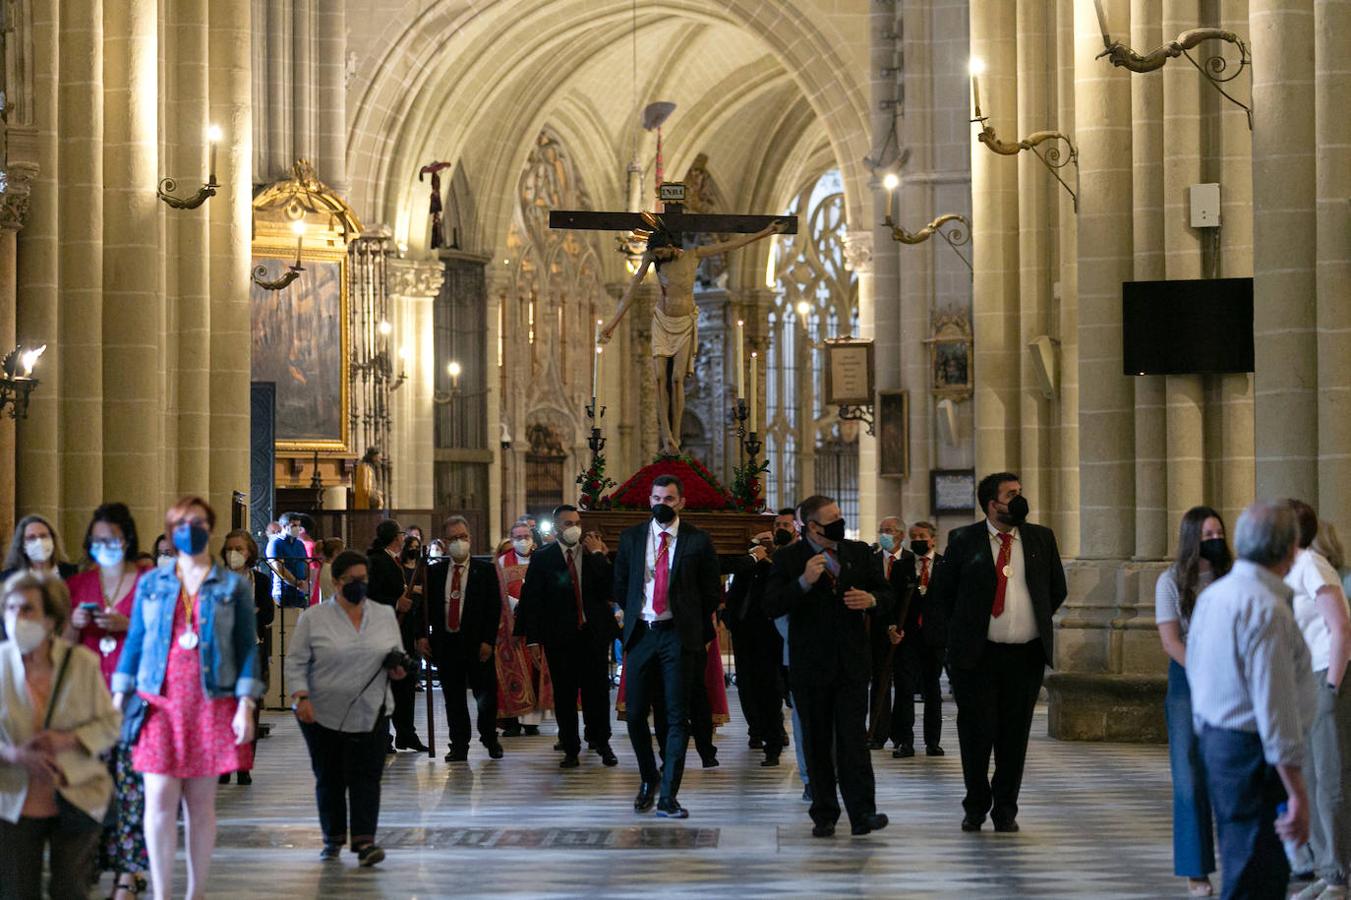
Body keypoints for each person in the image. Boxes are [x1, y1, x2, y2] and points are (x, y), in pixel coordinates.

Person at [111, 496, 261, 900]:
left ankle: (195, 893)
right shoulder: (153, 583)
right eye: (180, 523)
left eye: (196, 522)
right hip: (158, 701)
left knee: (200, 803)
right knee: (158, 797)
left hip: (210, 701)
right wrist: (118, 694)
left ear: (209, 529)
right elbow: (136, 642)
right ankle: (162, 892)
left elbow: (248, 647)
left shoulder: (231, 585)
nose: (188, 529)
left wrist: (245, 705)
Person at [925, 471, 1066, 833]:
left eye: (1020, 492)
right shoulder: (964, 540)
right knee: (976, 733)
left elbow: (1056, 589)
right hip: (977, 657)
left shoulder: (1040, 538)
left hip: (1025, 656)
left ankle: (1005, 808)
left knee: (1014, 736)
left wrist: (1026, 620)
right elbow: (943, 595)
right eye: (1012, 494)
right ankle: (975, 804)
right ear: (992, 504)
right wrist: (953, 646)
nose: (1020, 499)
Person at [1187, 500, 1315, 898]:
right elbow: (1274, 706)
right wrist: (1297, 793)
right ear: (1289, 548)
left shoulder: (1217, 594)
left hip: (1219, 741)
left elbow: (1196, 671)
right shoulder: (1266, 608)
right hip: (1252, 754)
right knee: (1256, 877)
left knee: (1243, 862)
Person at [764, 494, 892, 838]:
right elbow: (772, 604)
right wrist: (803, 582)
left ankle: (863, 813)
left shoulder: (858, 553)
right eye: (830, 518)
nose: (838, 521)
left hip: (851, 664)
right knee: (818, 743)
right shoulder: (790, 558)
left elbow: (886, 594)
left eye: (839, 516)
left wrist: (873, 600)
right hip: (810, 667)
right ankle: (824, 813)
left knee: (853, 742)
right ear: (812, 526)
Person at [0, 572, 121, 900]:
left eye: (27, 609)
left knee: (70, 890)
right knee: (16, 891)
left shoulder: (80, 663)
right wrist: (13, 754)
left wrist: (69, 739)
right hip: (11, 797)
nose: (17, 618)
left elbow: (110, 723)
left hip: (76, 793)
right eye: (10, 608)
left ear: (51, 619)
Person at [286, 550, 406, 867]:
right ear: (337, 582)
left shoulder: (383, 614)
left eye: (363, 580)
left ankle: (365, 841)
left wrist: (398, 667)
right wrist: (301, 697)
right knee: (331, 777)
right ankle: (333, 837)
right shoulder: (314, 618)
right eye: (352, 580)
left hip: (373, 708)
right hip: (322, 713)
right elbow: (296, 662)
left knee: (367, 776)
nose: (359, 585)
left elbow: (395, 654)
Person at [612, 475, 720, 818]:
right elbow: (621, 585)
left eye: (670, 498)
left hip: (677, 634)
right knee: (634, 715)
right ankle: (649, 778)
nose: (663, 503)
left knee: (676, 717)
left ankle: (669, 796)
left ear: (681, 502)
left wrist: (693, 630)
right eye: (658, 497)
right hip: (642, 634)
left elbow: (710, 593)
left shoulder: (698, 541)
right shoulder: (631, 539)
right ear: (649, 500)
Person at [64, 502, 149, 898]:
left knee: (132, 791)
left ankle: (127, 877)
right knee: (90, 791)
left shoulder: (148, 581)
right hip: (88, 701)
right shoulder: (78, 585)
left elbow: (166, 639)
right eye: (98, 541)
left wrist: (127, 625)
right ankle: (89, 866)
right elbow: (59, 650)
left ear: (127, 539)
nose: (105, 546)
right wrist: (74, 625)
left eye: (112, 539)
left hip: (136, 701)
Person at [1156, 506, 1230, 898]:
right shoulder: (1170, 581)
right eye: (1205, 535)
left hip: (1235, 680)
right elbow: (1171, 640)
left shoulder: (1233, 577)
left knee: (1235, 773)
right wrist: (1204, 673)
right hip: (1189, 679)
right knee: (1189, 778)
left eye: (1217, 532)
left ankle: (1242, 863)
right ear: (1190, 539)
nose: (1213, 540)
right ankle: (1196, 869)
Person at [515, 505, 619, 768]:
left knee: (597, 692)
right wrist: (533, 639)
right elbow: (533, 600)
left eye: (577, 522)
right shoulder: (544, 557)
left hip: (593, 634)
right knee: (565, 694)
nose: (573, 527)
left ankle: (601, 741)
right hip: (559, 637)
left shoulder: (593, 553)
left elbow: (610, 589)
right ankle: (571, 747)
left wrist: (598, 555)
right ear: (556, 526)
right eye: (567, 523)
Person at [1284, 500, 1351, 900]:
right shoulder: (1289, 568)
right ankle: (1326, 870)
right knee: (1308, 779)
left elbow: (1340, 624)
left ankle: (1340, 876)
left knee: (1331, 779)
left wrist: (1332, 684)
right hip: (1301, 682)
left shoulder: (1312, 564)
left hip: (1326, 676)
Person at [421, 515, 503, 762]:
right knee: (453, 699)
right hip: (447, 643)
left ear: (470, 539)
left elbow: (494, 607)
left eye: (463, 537)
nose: (460, 542)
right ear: (445, 543)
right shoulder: (434, 572)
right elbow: (423, 608)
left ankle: (489, 737)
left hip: (478, 644)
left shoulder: (486, 570)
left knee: (485, 696)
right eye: (454, 538)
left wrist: (489, 640)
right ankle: (459, 745)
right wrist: (422, 637)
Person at [724, 509, 794, 766]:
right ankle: (756, 729)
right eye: (777, 524)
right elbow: (735, 587)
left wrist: (767, 561)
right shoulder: (750, 559)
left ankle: (773, 737)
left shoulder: (784, 560)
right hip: (744, 628)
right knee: (747, 683)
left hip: (771, 631)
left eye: (786, 524)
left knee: (771, 685)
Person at [365, 519, 427, 753]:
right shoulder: (377, 561)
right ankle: (384, 737)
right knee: (388, 686)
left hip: (402, 631)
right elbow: (371, 595)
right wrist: (395, 603)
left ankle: (406, 733)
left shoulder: (392, 559)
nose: (404, 538)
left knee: (406, 684)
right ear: (395, 537)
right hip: (386, 630)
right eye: (401, 534)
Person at [220, 529, 275, 787]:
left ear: (250, 552)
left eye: (239, 549)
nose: (234, 553)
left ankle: (244, 764)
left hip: (251, 650)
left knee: (249, 709)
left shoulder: (260, 581)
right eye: (230, 548)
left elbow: (267, 615)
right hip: (222, 653)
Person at [494, 521, 550, 737]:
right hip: (510, 626)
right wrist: (517, 603)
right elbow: (497, 591)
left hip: (536, 625)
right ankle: (512, 721)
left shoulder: (543, 559)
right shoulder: (501, 562)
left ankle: (531, 722)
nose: (523, 540)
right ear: (511, 537)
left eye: (526, 536)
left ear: (532, 537)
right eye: (518, 537)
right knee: (512, 673)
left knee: (534, 672)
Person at [895, 520, 945, 758]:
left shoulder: (946, 565)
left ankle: (932, 741)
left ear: (932, 539)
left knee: (932, 690)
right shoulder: (902, 565)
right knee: (904, 689)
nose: (917, 540)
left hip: (935, 637)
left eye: (922, 536)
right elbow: (893, 600)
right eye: (913, 536)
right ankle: (905, 741)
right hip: (908, 637)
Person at [868, 515, 916, 752]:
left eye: (889, 530)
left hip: (907, 633)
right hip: (878, 632)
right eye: (881, 529)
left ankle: (903, 736)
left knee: (906, 685)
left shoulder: (911, 561)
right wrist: (886, 626)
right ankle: (877, 733)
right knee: (879, 682)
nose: (884, 534)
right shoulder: (871, 560)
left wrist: (900, 628)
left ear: (901, 535)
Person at [2, 514, 77, 581]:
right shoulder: (6, 578)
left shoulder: (75, 573)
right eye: (31, 538)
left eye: (43, 536)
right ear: (22, 545)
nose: (39, 542)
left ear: (53, 540)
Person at [266, 512, 311, 611]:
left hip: (301, 592)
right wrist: (297, 583)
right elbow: (278, 568)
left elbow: (306, 564)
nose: (297, 528)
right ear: (284, 526)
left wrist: (306, 582)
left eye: (299, 525)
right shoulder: (275, 543)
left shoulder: (300, 544)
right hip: (284, 592)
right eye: (294, 525)